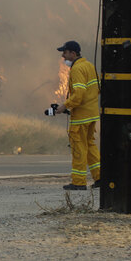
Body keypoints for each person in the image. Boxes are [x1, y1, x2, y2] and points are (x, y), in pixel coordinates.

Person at [55, 40, 100, 191]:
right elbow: (95, 90)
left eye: (65, 52)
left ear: (73, 54)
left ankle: (79, 182)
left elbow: (79, 94)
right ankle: (100, 178)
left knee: (78, 148)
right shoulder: (89, 66)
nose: (63, 55)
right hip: (92, 114)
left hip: (81, 117)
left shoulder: (77, 69)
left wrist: (64, 106)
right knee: (90, 146)